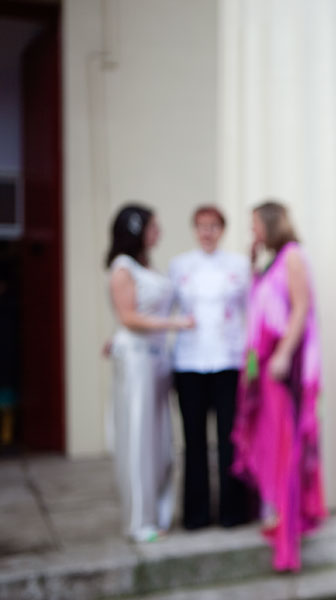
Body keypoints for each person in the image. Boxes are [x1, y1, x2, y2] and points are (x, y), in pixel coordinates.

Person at [231, 200, 327, 571]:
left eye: (254, 224)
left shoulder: (292, 256)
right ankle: (276, 509)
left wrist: (284, 354)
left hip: (281, 367)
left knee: (286, 442)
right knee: (269, 440)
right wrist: (252, 261)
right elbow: (260, 307)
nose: (251, 231)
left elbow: (301, 308)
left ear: (270, 224)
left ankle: (288, 516)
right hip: (263, 365)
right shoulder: (270, 260)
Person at [106, 204, 194, 543]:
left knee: (160, 439)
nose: (159, 232)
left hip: (158, 360)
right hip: (138, 360)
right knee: (138, 438)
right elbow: (128, 317)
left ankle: (159, 511)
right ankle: (139, 519)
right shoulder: (122, 268)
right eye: (154, 226)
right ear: (137, 229)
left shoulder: (145, 267)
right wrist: (175, 324)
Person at [169, 206, 251, 530]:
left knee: (228, 437)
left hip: (227, 360)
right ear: (194, 229)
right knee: (194, 440)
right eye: (202, 226)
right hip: (190, 361)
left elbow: (250, 310)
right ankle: (196, 513)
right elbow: (163, 311)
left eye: (213, 226)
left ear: (222, 229)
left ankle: (233, 511)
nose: (207, 232)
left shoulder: (238, 265)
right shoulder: (180, 266)